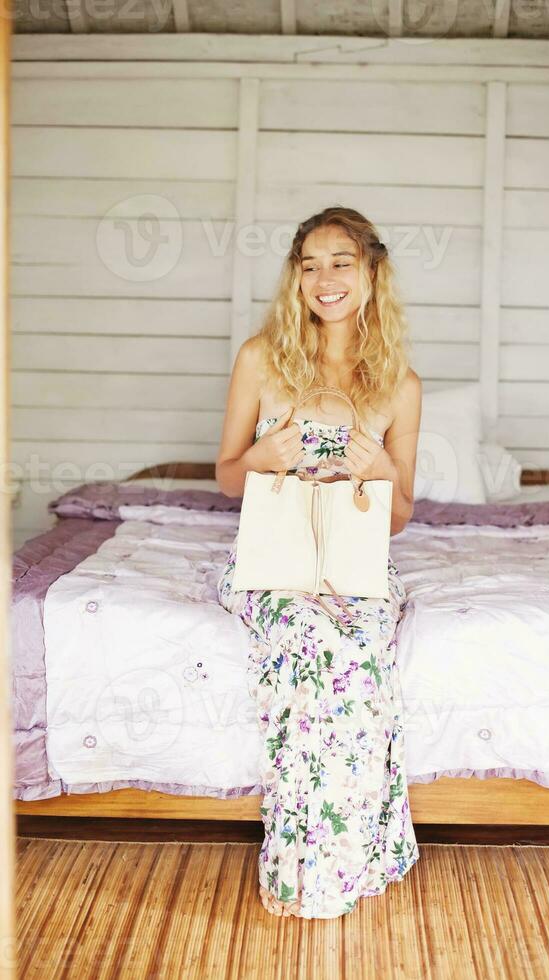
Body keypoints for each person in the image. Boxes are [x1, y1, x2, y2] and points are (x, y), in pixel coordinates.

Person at [215, 205, 422, 918]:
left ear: (371, 272)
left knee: (360, 659)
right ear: (295, 278)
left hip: (354, 567)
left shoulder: (399, 384)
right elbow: (225, 476)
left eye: (340, 263)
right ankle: (305, 873)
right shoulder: (260, 357)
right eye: (309, 265)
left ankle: (343, 860)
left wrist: (382, 472)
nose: (324, 278)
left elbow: (398, 517)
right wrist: (260, 457)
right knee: (313, 641)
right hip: (274, 563)